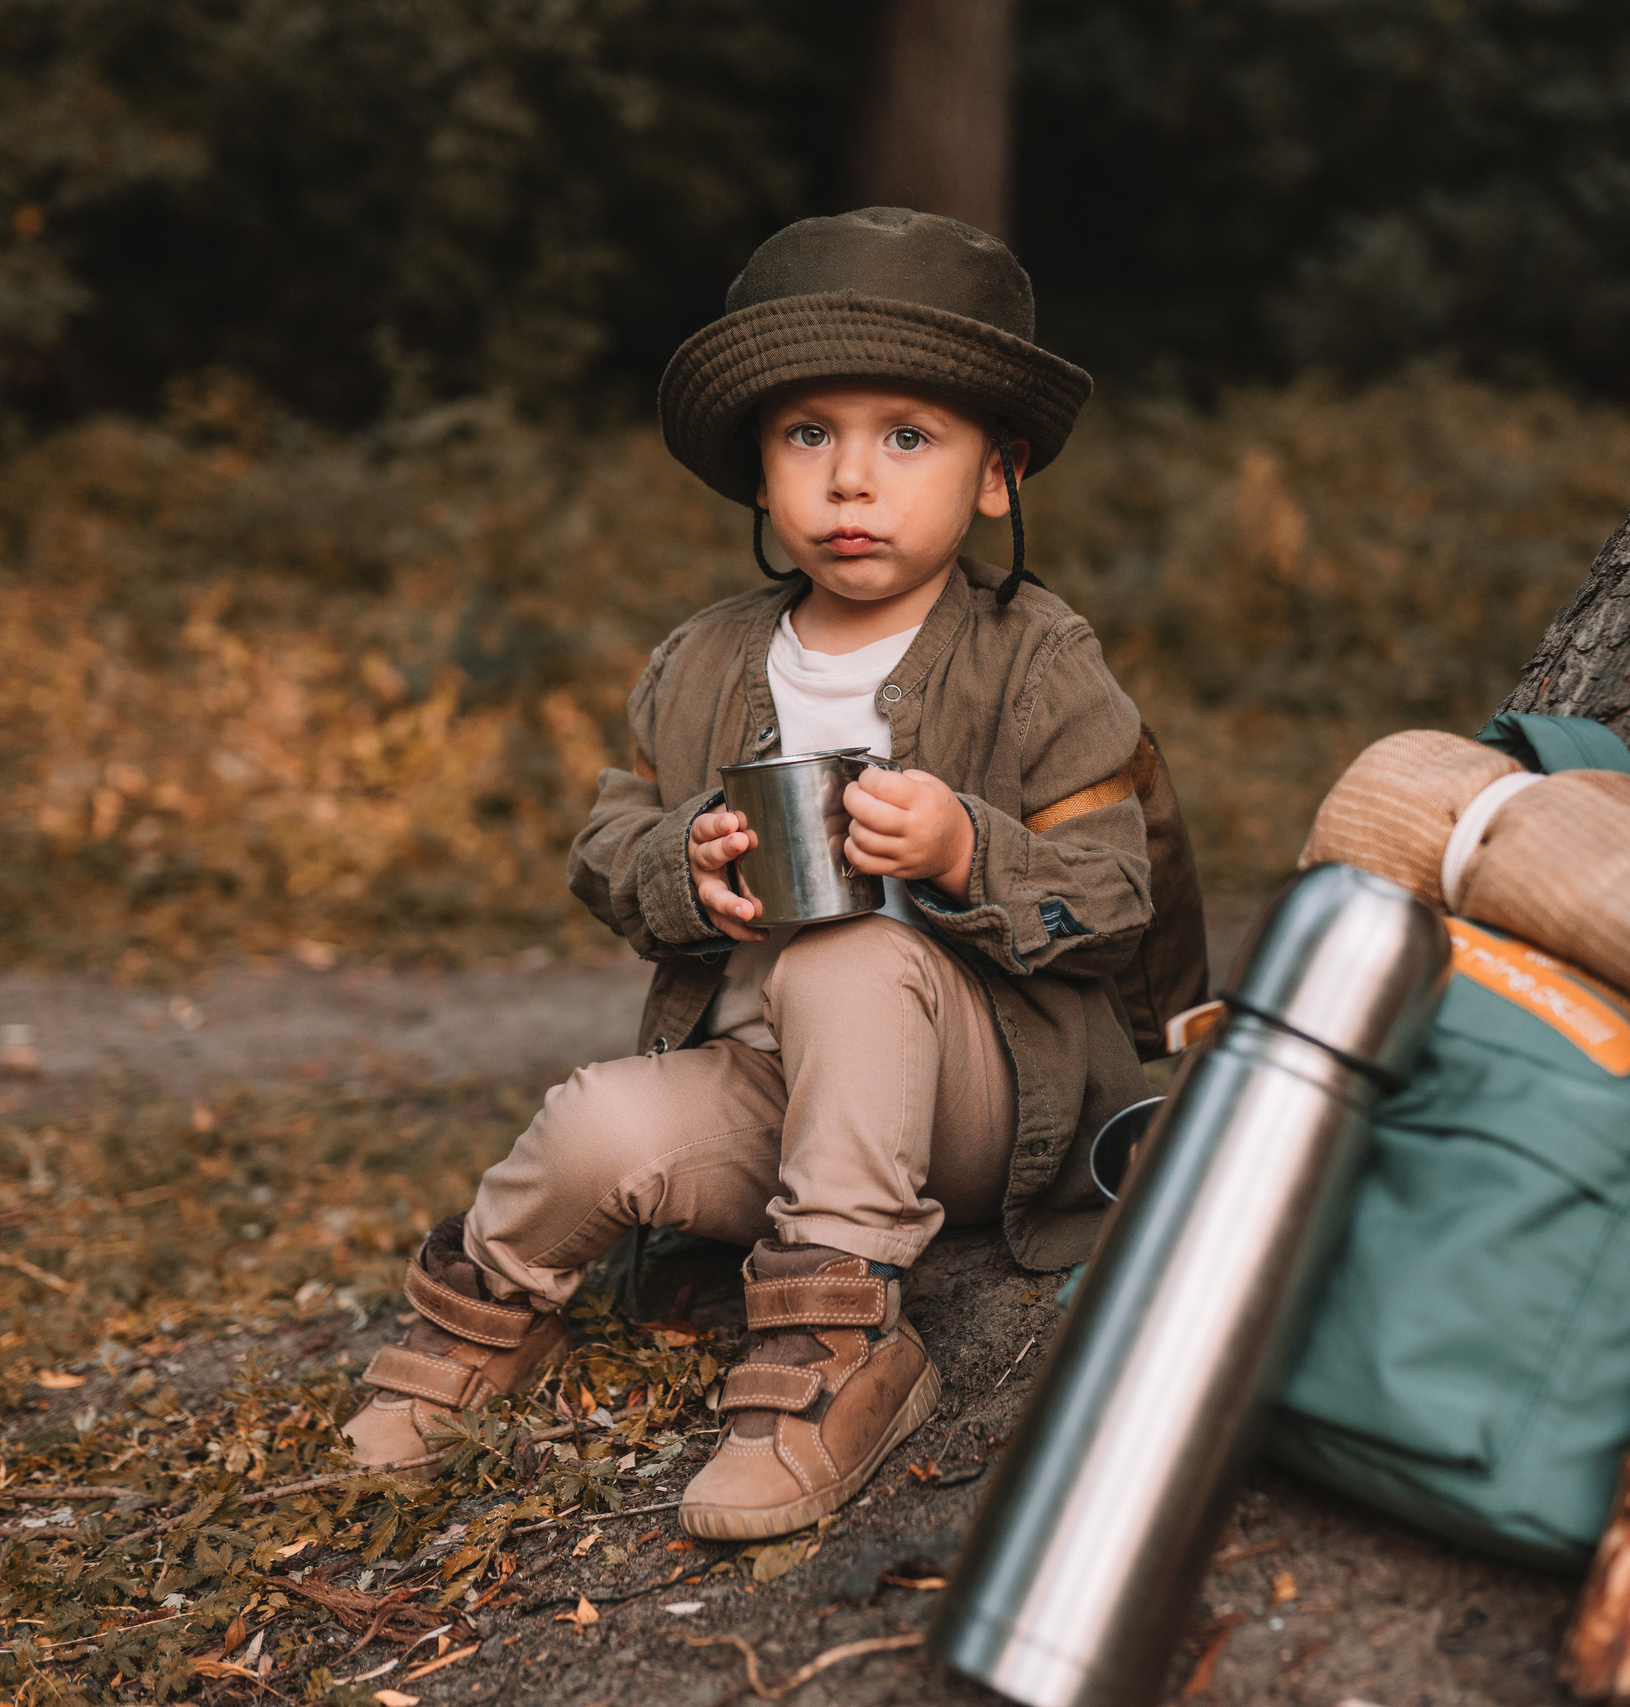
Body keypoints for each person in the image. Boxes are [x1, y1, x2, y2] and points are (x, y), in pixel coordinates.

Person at [340, 207, 1205, 1541]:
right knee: (595, 1128)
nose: (852, 483)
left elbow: (1114, 893)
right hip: (772, 1093)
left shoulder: (1034, 657)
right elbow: (605, 846)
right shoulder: (703, 662)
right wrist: (681, 869)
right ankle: (486, 1317)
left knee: (849, 953)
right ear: (759, 473)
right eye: (811, 436)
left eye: (907, 438)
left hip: (985, 1096)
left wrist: (968, 849)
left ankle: (840, 1341)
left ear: (998, 474)